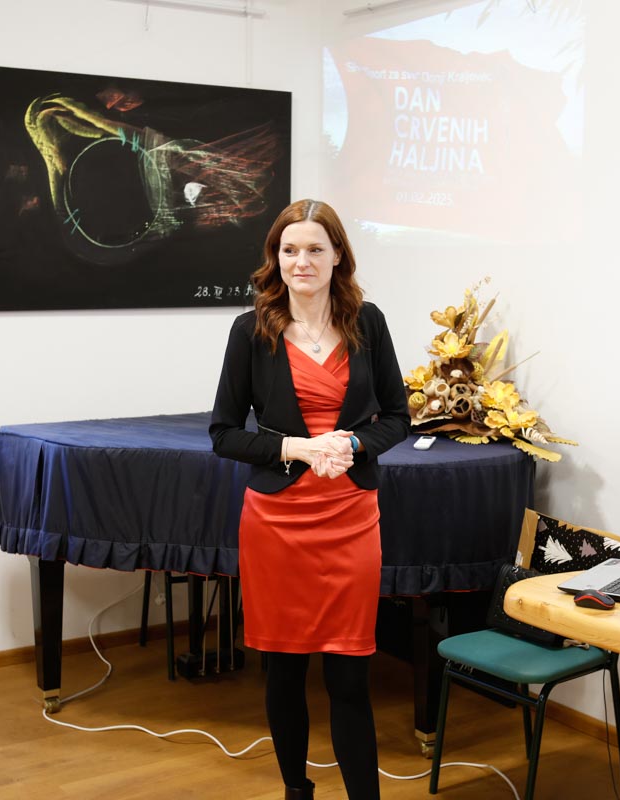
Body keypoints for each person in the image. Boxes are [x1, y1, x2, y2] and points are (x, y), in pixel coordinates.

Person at [210, 199, 410, 799]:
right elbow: (224, 433)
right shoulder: (250, 330)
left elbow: (397, 417)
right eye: (289, 249)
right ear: (275, 257)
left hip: (351, 517)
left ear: (338, 256)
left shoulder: (368, 323)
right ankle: (297, 791)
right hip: (277, 523)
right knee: (285, 670)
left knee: (349, 675)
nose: (301, 261)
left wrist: (352, 442)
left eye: (315, 249)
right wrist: (296, 447)